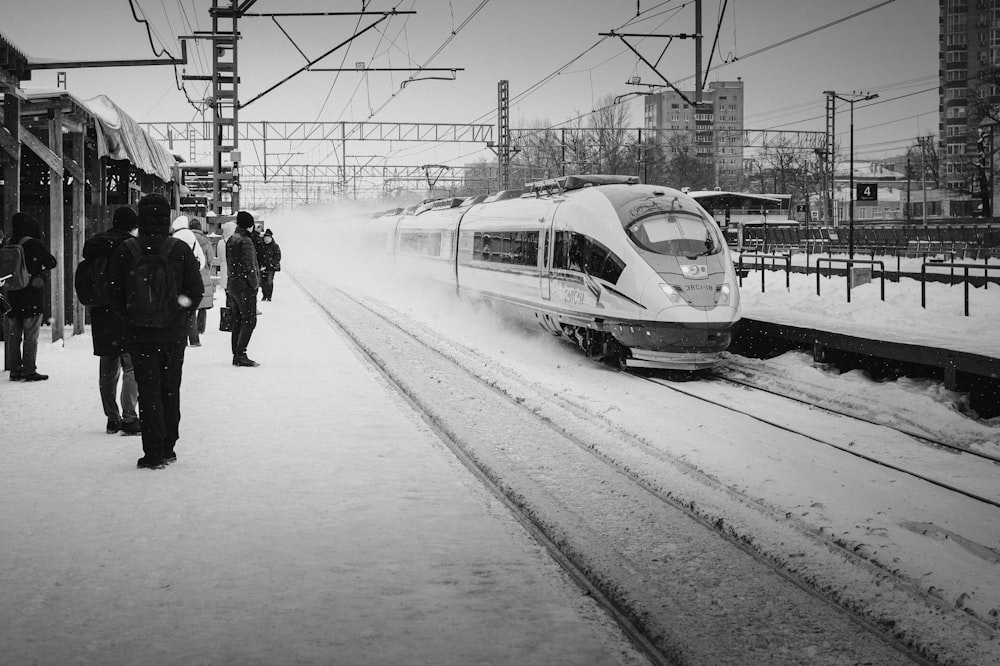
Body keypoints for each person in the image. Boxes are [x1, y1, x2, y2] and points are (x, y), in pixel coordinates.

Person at [108, 193, 203, 469]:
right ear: (167, 217)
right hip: (173, 336)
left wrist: (132, 316)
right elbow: (194, 291)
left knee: (148, 390)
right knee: (170, 389)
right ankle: (169, 446)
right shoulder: (179, 249)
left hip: (140, 335)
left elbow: (114, 292)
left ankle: (153, 452)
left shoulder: (128, 250)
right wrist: (179, 312)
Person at [81, 206, 141, 434]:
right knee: (131, 366)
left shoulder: (96, 244)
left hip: (101, 311)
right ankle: (129, 417)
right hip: (125, 310)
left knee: (107, 367)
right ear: (132, 225)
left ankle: (112, 417)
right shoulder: (132, 246)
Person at [4, 212, 58, 382]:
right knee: (30, 335)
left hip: (12, 294)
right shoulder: (33, 243)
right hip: (31, 295)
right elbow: (51, 262)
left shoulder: (8, 243)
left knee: (14, 335)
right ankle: (29, 370)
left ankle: (15, 370)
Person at [226, 211, 261, 367]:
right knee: (250, 320)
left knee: (238, 320)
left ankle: (236, 354)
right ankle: (241, 354)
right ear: (249, 225)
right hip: (244, 286)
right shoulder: (245, 241)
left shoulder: (232, 239)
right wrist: (254, 285)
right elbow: (250, 266)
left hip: (233, 284)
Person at [170, 216, 206, 346]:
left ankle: (181, 338)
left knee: (177, 310)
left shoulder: (174, 239)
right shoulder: (192, 237)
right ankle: (194, 339)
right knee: (190, 309)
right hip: (190, 278)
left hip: (176, 278)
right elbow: (202, 259)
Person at [188, 218, 216, 337]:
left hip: (190, 272)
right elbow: (210, 257)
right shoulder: (205, 240)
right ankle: (201, 327)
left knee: (191, 302)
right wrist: (207, 267)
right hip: (203, 271)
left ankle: (191, 328)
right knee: (203, 301)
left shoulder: (187, 238)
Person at [259, 229, 282, 301]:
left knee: (269, 281)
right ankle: (264, 295)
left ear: (271, 238)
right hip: (263, 267)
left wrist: (271, 263)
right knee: (262, 282)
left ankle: (269, 296)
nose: (266, 240)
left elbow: (278, 256)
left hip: (271, 267)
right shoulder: (261, 246)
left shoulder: (275, 246)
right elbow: (259, 256)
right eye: (265, 238)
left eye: (268, 238)